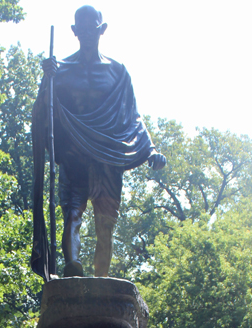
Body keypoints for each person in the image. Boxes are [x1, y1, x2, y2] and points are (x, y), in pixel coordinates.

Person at [31, 5, 166, 280]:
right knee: (72, 213)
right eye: (81, 30)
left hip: (107, 157)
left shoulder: (117, 72)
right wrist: (47, 82)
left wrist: (150, 149)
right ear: (73, 32)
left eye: (92, 29)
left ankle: (102, 282)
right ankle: (72, 268)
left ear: (102, 30)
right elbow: (43, 112)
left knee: (106, 222)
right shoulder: (61, 70)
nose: (86, 35)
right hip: (74, 155)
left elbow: (133, 116)